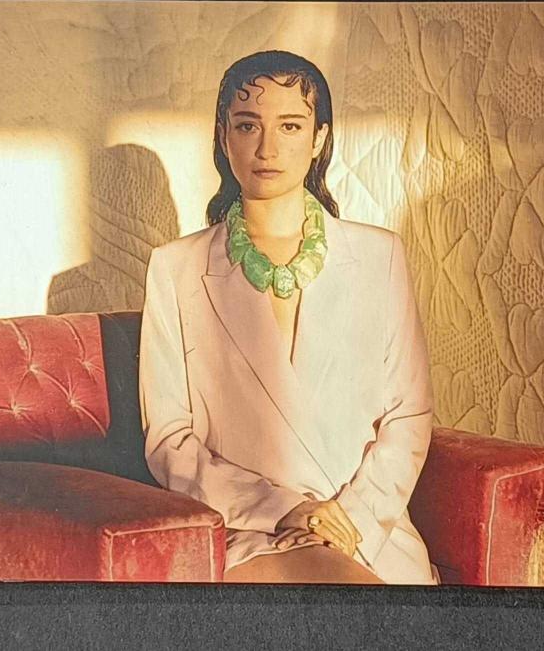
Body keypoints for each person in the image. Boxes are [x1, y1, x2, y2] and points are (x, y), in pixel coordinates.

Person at [138, 50, 438, 585]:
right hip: (249, 528)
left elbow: (408, 415)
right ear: (223, 136)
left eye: (291, 126)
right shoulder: (174, 268)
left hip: (364, 530)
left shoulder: (381, 256)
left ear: (320, 138)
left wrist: (352, 518)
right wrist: (284, 509)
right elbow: (170, 440)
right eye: (247, 125)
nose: (267, 148)